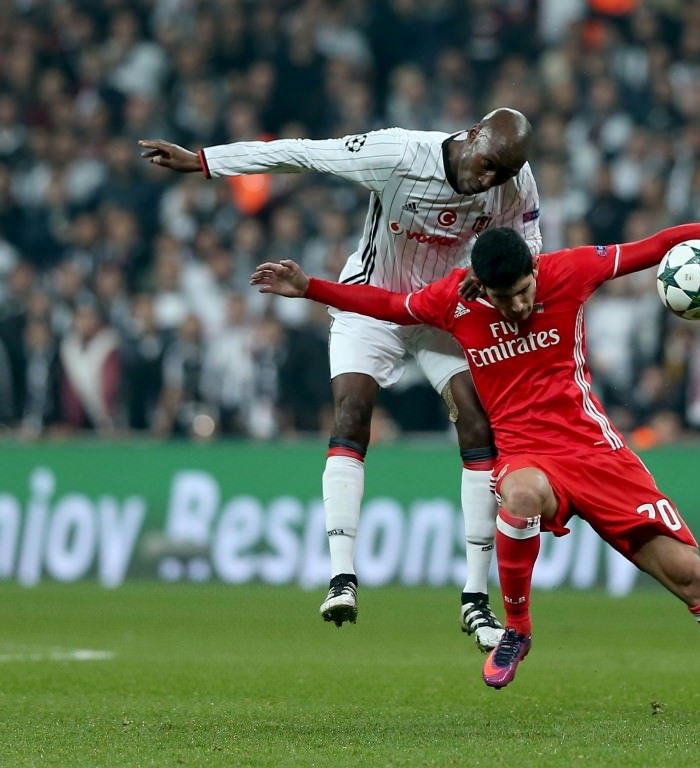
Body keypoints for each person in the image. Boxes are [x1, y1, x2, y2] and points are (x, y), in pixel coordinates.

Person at [249, 206, 700, 720]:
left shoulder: (569, 271)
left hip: (598, 453)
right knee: (521, 494)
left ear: (535, 270)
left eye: (523, 291)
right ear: (480, 287)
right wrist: (312, 288)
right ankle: (517, 628)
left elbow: (661, 245)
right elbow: (386, 303)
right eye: (503, 297)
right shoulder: (452, 303)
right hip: (527, 455)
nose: (516, 305)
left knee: (694, 578)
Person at [140, 108, 542, 651]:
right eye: (489, 164)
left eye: (502, 173)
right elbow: (302, 151)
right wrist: (208, 161)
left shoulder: (514, 180)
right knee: (352, 415)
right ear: (472, 136)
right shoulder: (399, 153)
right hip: (369, 305)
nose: (489, 180)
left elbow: (529, 243)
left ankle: (475, 598)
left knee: (478, 426)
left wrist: (499, 276)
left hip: (438, 314)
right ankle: (342, 577)